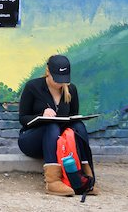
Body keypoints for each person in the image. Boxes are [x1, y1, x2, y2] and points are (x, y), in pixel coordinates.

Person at [17, 54, 96, 196]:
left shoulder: (71, 90)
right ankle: (53, 182)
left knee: (78, 126)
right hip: (31, 140)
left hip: (59, 142)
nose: (60, 83)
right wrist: (41, 115)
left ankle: (85, 177)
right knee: (51, 126)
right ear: (48, 71)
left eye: (64, 80)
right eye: (57, 79)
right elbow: (23, 118)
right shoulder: (33, 86)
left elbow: (73, 118)